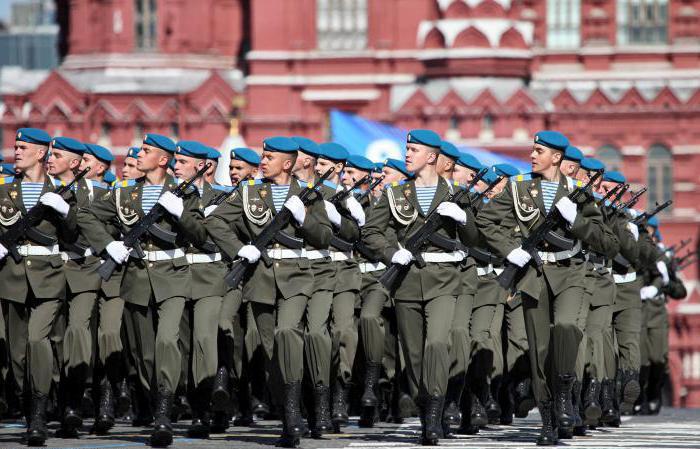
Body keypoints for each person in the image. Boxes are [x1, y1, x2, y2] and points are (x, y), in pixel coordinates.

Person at [476, 130, 613, 445]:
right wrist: (511, 249)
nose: (532, 155)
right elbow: (485, 221)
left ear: (557, 157)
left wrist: (576, 221)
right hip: (534, 273)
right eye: (532, 150)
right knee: (539, 351)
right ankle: (550, 418)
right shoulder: (518, 188)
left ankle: (564, 391)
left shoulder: (580, 193)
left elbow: (608, 241)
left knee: (566, 327)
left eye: (539, 150)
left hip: (572, 272)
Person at [78, 133, 204, 447]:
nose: (139, 155)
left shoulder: (183, 193)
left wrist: (180, 214)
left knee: (166, 340)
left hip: (173, 276)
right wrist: (109, 243)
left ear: (163, 160)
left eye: (146, 151)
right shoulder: (124, 194)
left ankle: (163, 411)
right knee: (144, 353)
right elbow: (86, 214)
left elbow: (202, 235)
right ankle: (158, 398)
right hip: (135, 278)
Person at [205, 136, 331, 448]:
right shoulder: (249, 192)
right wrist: (240, 248)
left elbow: (325, 236)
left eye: (270, 157)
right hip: (260, 278)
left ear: (287, 164)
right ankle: (293, 409)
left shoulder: (305, 194)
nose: (263, 161)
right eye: (263, 155)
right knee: (273, 352)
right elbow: (216, 222)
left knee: (288, 332)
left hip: (297, 278)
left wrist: (303, 218)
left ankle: (293, 417)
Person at [362, 129, 479, 445]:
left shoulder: (456, 194)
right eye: (407, 148)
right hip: (408, 280)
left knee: (437, 344)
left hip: (445, 278)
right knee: (413, 355)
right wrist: (391, 251)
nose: (407, 154)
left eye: (414, 149)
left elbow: (475, 241)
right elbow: (371, 232)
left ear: (431, 156)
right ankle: (426, 400)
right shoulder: (395, 194)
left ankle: (432, 419)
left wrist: (463, 219)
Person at [0, 129, 79, 446]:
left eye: (23, 147)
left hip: (49, 277)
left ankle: (39, 414)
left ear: (41, 153)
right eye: (16, 146)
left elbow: (76, 235)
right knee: (17, 355)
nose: (16, 151)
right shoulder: (4, 190)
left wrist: (65, 211)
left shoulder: (61, 190)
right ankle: (29, 400)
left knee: (38, 339)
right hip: (12, 278)